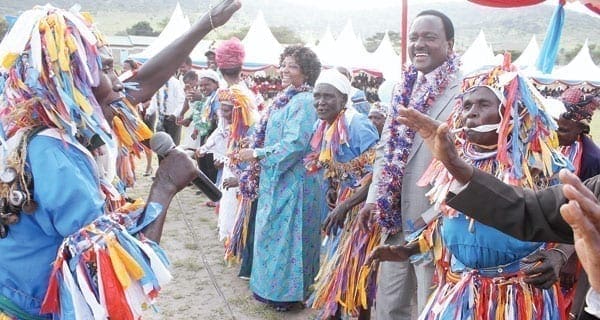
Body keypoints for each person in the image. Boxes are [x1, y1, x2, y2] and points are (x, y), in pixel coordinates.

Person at [0, 1, 240, 318]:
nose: (119, 81)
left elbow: (141, 84)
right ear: (73, 78)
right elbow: (112, 282)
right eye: (107, 68)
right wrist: (165, 186)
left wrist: (204, 24)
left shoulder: (44, 128)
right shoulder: (57, 156)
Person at [367, 62, 573, 319]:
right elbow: (443, 215)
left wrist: (559, 254)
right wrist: (409, 249)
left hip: (517, 295)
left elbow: (577, 218)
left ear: (512, 111)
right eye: (466, 106)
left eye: (483, 105)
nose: (471, 114)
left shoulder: (540, 162)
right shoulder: (450, 161)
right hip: (460, 292)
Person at [358, 10, 463, 319]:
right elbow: (384, 150)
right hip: (392, 218)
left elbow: (463, 160)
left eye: (429, 37)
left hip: (433, 225)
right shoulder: (403, 88)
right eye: (414, 37)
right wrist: (374, 197)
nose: (419, 44)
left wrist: (431, 217)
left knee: (428, 306)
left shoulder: (462, 92)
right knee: (389, 307)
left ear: (449, 44)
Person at [236, 45, 323, 311]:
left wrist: (257, 154)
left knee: (289, 237)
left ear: (306, 73)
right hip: (275, 178)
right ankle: (271, 289)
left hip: (294, 180)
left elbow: (296, 144)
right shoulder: (285, 97)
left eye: (293, 66)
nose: (284, 70)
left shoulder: (305, 102)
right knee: (273, 234)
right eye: (283, 64)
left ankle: (288, 294)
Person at [306, 69, 380, 319]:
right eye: (317, 96)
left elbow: (378, 175)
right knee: (338, 265)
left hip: (364, 210)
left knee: (357, 269)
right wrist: (332, 189)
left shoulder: (358, 124)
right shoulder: (323, 125)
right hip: (344, 204)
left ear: (344, 99)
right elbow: (330, 164)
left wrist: (345, 206)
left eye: (328, 96)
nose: (320, 102)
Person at [181, 70, 221, 184]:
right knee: (204, 163)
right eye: (201, 85)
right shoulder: (208, 98)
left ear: (216, 84)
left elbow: (219, 118)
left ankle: (214, 193)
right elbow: (201, 114)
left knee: (211, 165)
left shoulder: (217, 97)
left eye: (207, 85)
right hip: (206, 134)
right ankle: (210, 190)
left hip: (215, 137)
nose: (203, 88)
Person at [148, 74, 186, 146]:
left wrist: (174, 114)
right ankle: (162, 157)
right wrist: (149, 112)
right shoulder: (158, 83)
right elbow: (155, 99)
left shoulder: (175, 82)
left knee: (172, 143)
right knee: (160, 142)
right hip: (161, 118)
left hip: (173, 119)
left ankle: (173, 157)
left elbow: (181, 101)